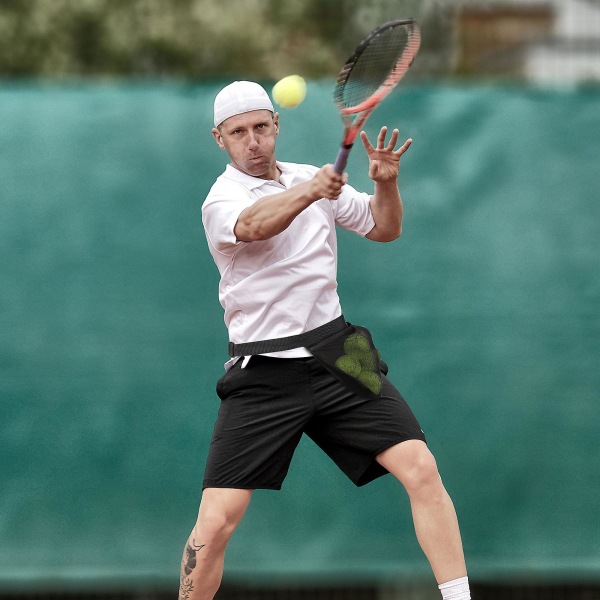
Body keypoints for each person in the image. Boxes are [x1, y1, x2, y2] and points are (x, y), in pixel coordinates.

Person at [178, 81, 471, 600]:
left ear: (276, 127)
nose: (253, 141)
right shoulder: (222, 199)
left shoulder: (312, 178)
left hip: (340, 350)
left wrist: (385, 184)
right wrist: (312, 190)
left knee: (422, 469)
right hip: (262, 370)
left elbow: (385, 228)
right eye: (239, 132)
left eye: (261, 128)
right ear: (219, 138)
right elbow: (253, 225)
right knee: (217, 522)